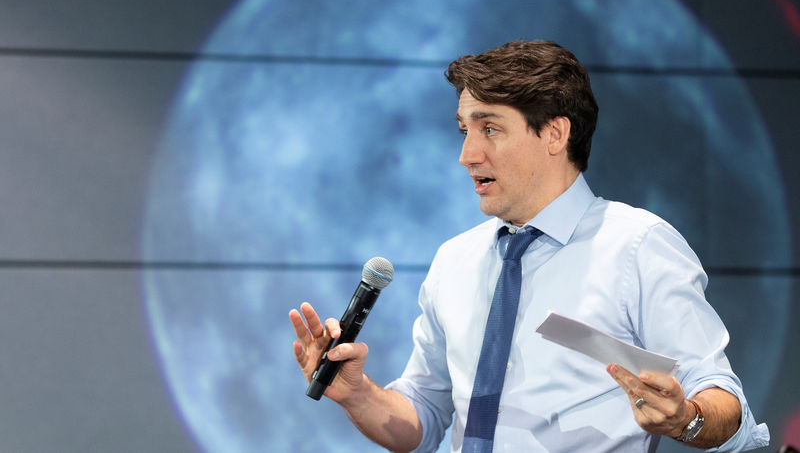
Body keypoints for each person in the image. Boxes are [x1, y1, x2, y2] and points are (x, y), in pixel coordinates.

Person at [289, 40, 770, 452]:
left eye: (490, 128)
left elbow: (723, 395)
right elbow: (423, 418)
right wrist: (357, 393)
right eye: (464, 130)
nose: (466, 155)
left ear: (555, 134)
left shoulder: (636, 246)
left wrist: (686, 417)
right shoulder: (454, 260)